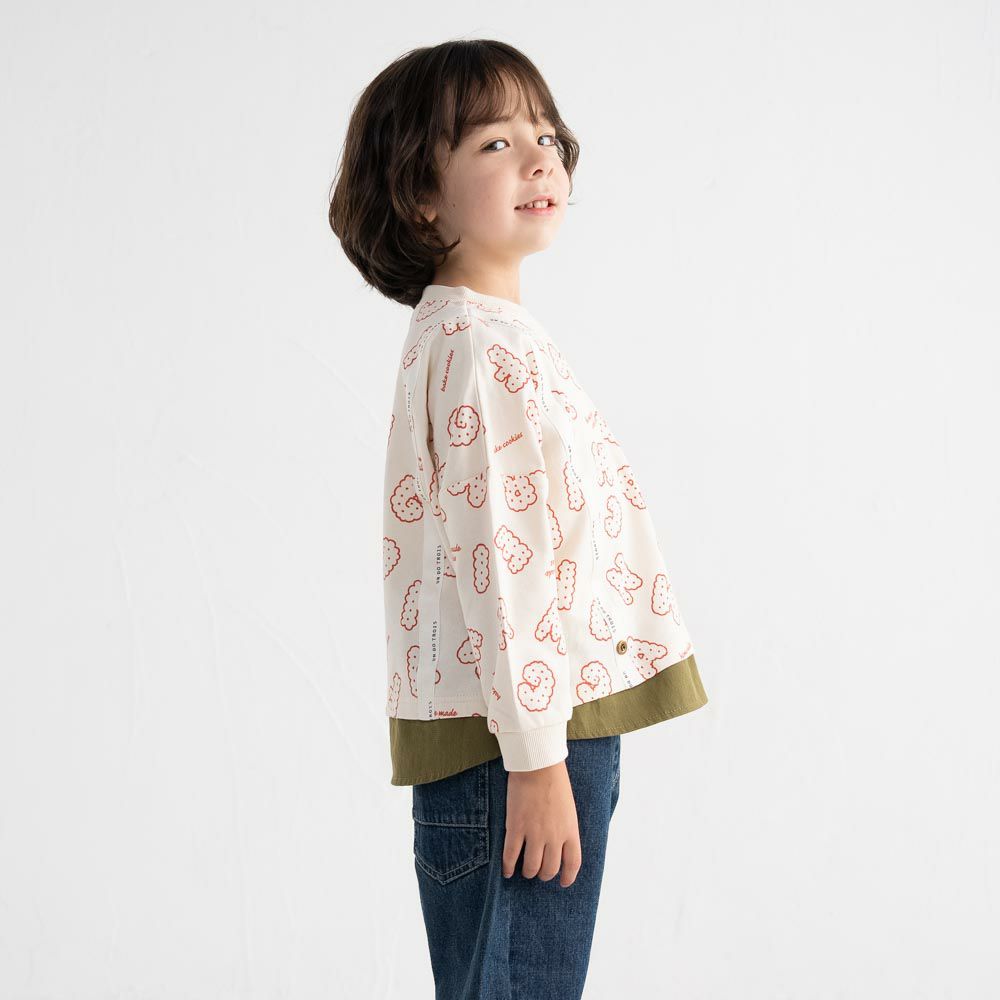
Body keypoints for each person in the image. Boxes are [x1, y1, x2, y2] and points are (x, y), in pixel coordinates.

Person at [329, 38, 709, 1000]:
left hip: (520, 731)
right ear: (422, 195)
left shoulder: (483, 334)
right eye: (496, 143)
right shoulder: (476, 347)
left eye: (545, 133)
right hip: (521, 744)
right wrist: (539, 765)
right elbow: (504, 564)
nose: (540, 158)